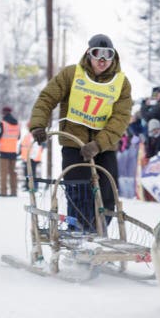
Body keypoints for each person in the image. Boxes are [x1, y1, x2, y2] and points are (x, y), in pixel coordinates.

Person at [29, 33, 133, 231]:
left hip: (104, 146)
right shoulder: (71, 74)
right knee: (79, 191)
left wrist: (99, 144)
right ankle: (78, 234)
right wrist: (38, 125)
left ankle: (98, 233)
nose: (102, 60)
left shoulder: (121, 83)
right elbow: (47, 98)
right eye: (97, 54)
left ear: (114, 57)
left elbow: (121, 117)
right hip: (74, 142)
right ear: (89, 55)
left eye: (107, 55)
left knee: (107, 193)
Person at [0, 106, 21, 197]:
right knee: (13, 173)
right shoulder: (17, 124)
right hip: (13, 151)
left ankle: (3, 192)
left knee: (3, 173)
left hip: (3, 152)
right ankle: (14, 192)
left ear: (3, 113)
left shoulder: (2, 123)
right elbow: (18, 137)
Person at [18, 122, 44, 191]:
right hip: (28, 158)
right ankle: (28, 186)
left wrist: (31, 157)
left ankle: (33, 187)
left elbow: (36, 147)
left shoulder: (33, 135)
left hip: (32, 158)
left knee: (32, 173)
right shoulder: (29, 135)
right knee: (28, 173)